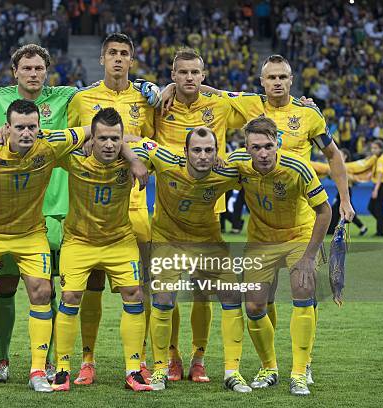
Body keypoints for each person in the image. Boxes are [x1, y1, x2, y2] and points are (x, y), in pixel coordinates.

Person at [0, 44, 160, 382]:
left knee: (56, 289)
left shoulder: (68, 96)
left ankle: (57, 362)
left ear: (47, 71)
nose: (33, 74)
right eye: (26, 68)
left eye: (39, 68)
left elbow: (100, 125)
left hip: (63, 206)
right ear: (15, 71)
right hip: (16, 208)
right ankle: (1, 358)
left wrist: (151, 87)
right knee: (8, 284)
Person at [67, 32, 157, 384]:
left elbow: (156, 142)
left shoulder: (147, 99)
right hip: (92, 206)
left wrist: (129, 144)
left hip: (134, 206)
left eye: (124, 54)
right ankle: (87, 358)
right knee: (91, 284)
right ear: (101, 59)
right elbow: (72, 141)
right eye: (112, 53)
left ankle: (141, 359)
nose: (118, 59)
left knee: (141, 287)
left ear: (131, 61)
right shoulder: (82, 99)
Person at [132, 127, 250, 393]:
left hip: (207, 242)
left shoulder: (226, 172)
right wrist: (132, 159)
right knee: (162, 298)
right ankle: (161, 367)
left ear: (217, 153)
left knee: (232, 297)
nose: (203, 156)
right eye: (196, 150)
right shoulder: (164, 159)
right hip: (168, 240)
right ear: (185, 152)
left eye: (209, 150)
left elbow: (254, 162)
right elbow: (132, 141)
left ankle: (230, 370)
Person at [154, 48, 246, 383]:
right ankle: (171, 356)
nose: (189, 78)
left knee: (201, 290)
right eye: (182, 73)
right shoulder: (159, 106)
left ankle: (199, 357)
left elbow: (258, 103)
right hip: (168, 210)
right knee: (166, 292)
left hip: (207, 211)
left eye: (196, 73)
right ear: (173, 74)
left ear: (203, 76)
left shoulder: (220, 105)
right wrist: (163, 90)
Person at [228, 116, 331, 396]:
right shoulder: (236, 162)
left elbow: (325, 211)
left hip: (298, 236)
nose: (263, 153)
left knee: (302, 289)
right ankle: (269, 368)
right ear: (246, 148)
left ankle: (300, 371)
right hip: (261, 240)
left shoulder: (298, 167)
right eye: (256, 147)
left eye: (268, 146)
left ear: (278, 144)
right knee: (254, 307)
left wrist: (309, 256)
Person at [52, 107, 151, 392]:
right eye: (102, 138)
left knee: (135, 294)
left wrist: (131, 155)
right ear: (91, 139)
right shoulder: (74, 159)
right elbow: (47, 142)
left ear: (122, 139)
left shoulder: (134, 157)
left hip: (119, 240)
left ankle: (134, 368)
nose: (109, 144)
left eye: (115, 138)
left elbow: (160, 148)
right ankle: (63, 368)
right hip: (79, 240)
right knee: (70, 296)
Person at [368, 140, 383, 236]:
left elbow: (380, 175)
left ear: (381, 149)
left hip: (381, 185)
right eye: (372, 148)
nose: (373, 150)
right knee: (373, 208)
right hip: (381, 185)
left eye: (375, 148)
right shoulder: (377, 158)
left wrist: (376, 190)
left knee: (377, 208)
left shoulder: (381, 159)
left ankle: (380, 231)